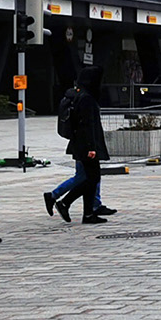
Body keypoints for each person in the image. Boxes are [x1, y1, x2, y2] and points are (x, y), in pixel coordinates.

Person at [47, 65, 111, 223]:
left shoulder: (78, 96)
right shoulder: (86, 99)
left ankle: (87, 213)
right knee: (92, 178)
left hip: (81, 144)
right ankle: (65, 203)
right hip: (87, 145)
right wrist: (92, 148)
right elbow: (87, 125)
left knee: (90, 178)